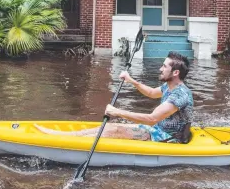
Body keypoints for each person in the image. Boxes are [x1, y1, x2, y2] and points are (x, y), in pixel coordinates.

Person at [35, 52, 193, 143]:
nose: (160, 68)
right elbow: (151, 93)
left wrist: (117, 112)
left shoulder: (180, 94)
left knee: (113, 130)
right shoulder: (169, 86)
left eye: (164, 66)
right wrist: (131, 81)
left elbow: (151, 118)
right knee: (107, 127)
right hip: (158, 130)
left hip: (168, 138)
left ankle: (63, 141)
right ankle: (65, 136)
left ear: (175, 73)